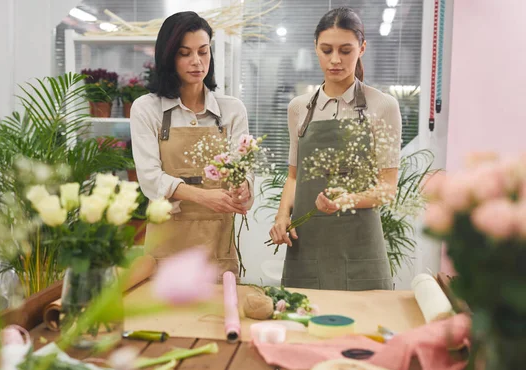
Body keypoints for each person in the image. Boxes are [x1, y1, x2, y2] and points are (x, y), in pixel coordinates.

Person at [269, 7, 402, 290]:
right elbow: (294, 176)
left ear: (362, 48)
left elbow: (387, 188)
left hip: (361, 245)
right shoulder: (299, 108)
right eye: (326, 50)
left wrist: (345, 200)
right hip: (307, 244)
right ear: (315, 48)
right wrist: (282, 217)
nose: (335, 60)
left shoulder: (383, 106)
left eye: (346, 50)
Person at [130, 11, 254, 277]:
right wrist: (202, 196)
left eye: (203, 51)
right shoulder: (146, 109)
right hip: (167, 239)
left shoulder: (232, 109)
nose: (197, 62)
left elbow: (243, 166)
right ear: (168, 57)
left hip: (217, 241)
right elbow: (150, 179)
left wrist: (244, 187)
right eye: (184, 53)